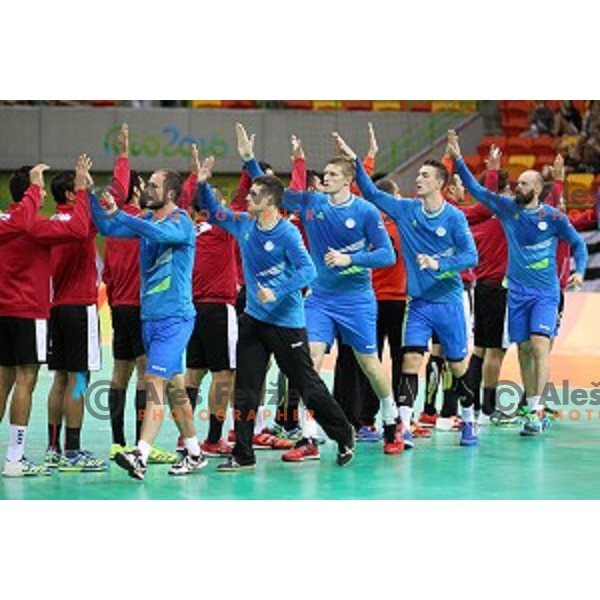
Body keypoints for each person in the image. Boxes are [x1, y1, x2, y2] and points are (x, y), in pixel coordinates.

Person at [237, 123, 403, 457]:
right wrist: (249, 160)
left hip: (357, 299)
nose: (323, 178)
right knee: (308, 364)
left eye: (330, 174)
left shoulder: (366, 211)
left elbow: (386, 255)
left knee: (369, 362)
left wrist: (350, 258)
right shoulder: (313, 205)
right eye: (324, 174)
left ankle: (391, 419)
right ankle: (309, 437)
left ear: (347, 179)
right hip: (321, 299)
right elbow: (274, 193)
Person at [195, 156, 355, 471]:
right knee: (246, 388)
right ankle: (243, 453)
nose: (247, 198)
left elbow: (309, 271)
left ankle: (343, 434)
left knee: (308, 386)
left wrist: (278, 290)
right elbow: (213, 213)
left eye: (254, 194)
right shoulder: (243, 225)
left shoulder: (287, 234)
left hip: (286, 323)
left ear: (269, 201)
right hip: (254, 320)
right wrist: (201, 184)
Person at [334, 132, 480, 447]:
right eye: (417, 175)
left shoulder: (454, 218)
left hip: (450, 303)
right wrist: (355, 161)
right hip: (418, 305)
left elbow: (471, 257)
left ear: (439, 183)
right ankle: (403, 424)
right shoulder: (405, 210)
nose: (418, 179)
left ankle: (470, 420)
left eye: (425, 176)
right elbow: (371, 192)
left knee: (457, 365)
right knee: (410, 360)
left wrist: (439, 264)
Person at [448, 129, 588, 435]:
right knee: (524, 349)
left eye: (524, 183)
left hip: (545, 294)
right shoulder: (508, 211)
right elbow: (474, 187)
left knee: (539, 346)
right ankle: (530, 407)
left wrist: (580, 269)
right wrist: (458, 158)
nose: (517, 186)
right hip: (517, 294)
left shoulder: (552, 217)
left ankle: (536, 410)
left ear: (537, 189)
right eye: (517, 182)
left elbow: (578, 244)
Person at [92, 164, 206, 480]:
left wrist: (123, 213)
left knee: (154, 383)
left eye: (153, 187)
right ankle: (195, 453)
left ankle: (140, 454)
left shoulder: (181, 222)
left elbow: (158, 233)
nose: (146, 191)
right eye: (147, 186)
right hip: (149, 318)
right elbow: (107, 228)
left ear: (170, 194)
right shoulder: (144, 220)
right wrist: (89, 194)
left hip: (175, 318)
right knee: (174, 387)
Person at [0, 162, 88, 476]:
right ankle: (15, 458)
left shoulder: (3, 222)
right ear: (32, 193)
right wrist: (80, 191)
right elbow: (78, 229)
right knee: (26, 382)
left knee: (3, 382)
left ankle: (15, 456)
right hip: (30, 313)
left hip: (3, 313)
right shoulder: (34, 227)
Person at [45, 156, 107, 472]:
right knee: (79, 379)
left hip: (55, 310)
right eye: (83, 185)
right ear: (72, 194)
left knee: (59, 378)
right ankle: (73, 451)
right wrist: (121, 158)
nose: (88, 186)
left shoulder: (51, 223)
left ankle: (53, 447)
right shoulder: (81, 221)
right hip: (81, 308)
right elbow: (117, 197)